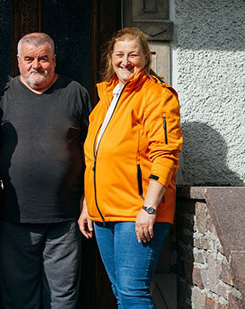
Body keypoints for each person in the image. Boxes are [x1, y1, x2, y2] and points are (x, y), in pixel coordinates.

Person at [78, 27, 183, 308]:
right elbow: (95, 159)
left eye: (133, 55)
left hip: (135, 211)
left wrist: (149, 209)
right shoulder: (106, 98)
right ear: (110, 58)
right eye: (119, 54)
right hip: (103, 213)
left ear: (146, 58)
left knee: (133, 292)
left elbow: (165, 155)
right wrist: (88, 202)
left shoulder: (157, 96)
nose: (125, 61)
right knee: (121, 291)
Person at [0, 32, 91, 309]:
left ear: (53, 59)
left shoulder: (76, 92)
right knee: (18, 299)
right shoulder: (3, 94)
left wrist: (88, 201)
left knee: (62, 299)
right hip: (15, 217)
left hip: (65, 219)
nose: (36, 65)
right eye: (29, 59)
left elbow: (95, 152)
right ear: (18, 61)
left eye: (43, 59)